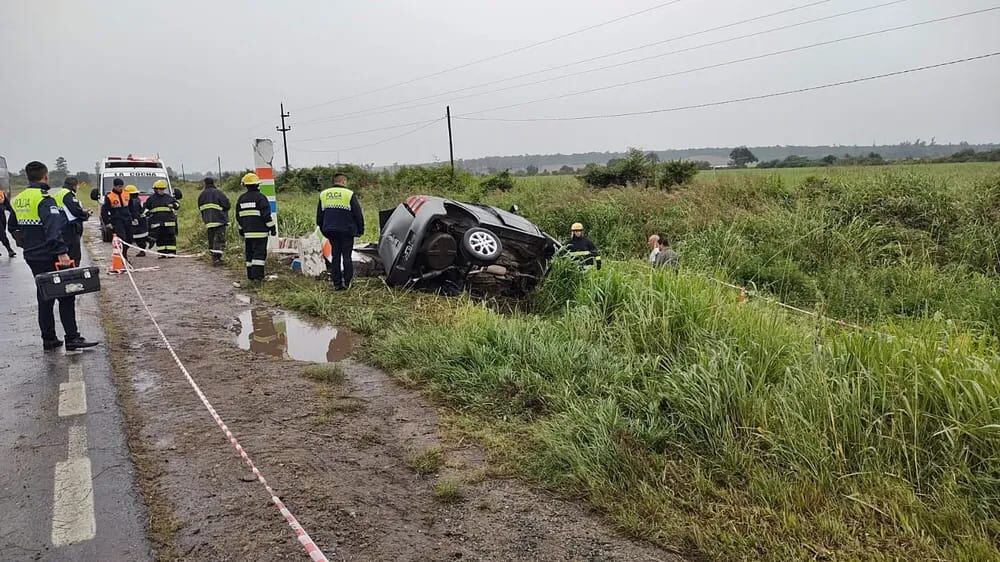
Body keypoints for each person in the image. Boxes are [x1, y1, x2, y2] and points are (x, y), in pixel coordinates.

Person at [8, 161, 98, 350]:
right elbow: (53, 229)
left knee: (44, 296)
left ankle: (49, 339)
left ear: (27, 176)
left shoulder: (19, 199)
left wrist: (25, 244)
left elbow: (13, 227)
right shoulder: (44, 199)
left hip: (32, 256)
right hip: (51, 255)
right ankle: (72, 338)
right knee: (67, 294)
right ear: (45, 176)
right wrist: (62, 253)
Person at [316, 173, 364, 290]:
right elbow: (358, 214)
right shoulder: (349, 194)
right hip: (346, 231)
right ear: (343, 182)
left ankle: (337, 284)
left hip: (331, 231)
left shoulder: (324, 194)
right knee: (346, 256)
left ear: (334, 181)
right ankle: (348, 283)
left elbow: (319, 216)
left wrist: (323, 229)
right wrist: (360, 230)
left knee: (335, 256)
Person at [235, 173, 275, 283]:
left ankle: (251, 276)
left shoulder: (241, 199)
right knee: (259, 254)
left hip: (248, 233)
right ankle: (258, 277)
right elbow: (266, 215)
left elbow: (238, 216)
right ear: (257, 185)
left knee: (249, 254)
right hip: (261, 233)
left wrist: (241, 229)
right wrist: (272, 228)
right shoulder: (261, 198)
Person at [50, 176, 91, 265]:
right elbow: (76, 211)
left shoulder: (58, 193)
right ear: (73, 186)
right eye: (77, 186)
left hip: (59, 226)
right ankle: (73, 275)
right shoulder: (68, 194)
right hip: (70, 228)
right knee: (74, 256)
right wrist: (86, 214)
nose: (77, 188)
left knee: (62, 256)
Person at [197, 177, 231, 266]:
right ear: (213, 183)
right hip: (219, 220)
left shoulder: (201, 195)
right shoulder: (218, 193)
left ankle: (213, 257)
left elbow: (200, 208)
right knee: (219, 240)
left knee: (211, 240)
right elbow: (227, 205)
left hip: (208, 221)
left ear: (205, 184)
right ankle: (217, 259)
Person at [143, 179, 180, 259]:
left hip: (169, 222)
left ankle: (171, 253)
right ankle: (162, 253)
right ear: (155, 189)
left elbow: (177, 205)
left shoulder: (169, 197)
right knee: (160, 238)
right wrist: (147, 213)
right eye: (160, 189)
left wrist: (174, 205)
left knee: (170, 238)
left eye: (163, 189)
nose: (162, 191)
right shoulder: (151, 199)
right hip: (157, 223)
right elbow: (145, 209)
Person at [101, 178, 135, 262]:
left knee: (129, 239)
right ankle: (123, 257)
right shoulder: (109, 196)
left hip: (127, 219)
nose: (120, 188)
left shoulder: (127, 194)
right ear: (114, 186)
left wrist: (134, 217)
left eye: (121, 186)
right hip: (117, 221)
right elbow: (104, 211)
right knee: (122, 238)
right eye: (119, 186)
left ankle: (124, 253)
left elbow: (131, 207)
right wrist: (107, 222)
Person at [126, 185, 149, 257]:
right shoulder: (138, 199)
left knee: (136, 237)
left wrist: (134, 219)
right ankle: (143, 248)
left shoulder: (133, 201)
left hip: (136, 222)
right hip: (141, 221)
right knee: (140, 237)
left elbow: (134, 212)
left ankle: (143, 250)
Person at [0, 189, 15, 257]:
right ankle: (9, 250)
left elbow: (7, 205)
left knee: (2, 233)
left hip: (2, 217)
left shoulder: (1, 193)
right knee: (2, 234)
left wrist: (13, 212)